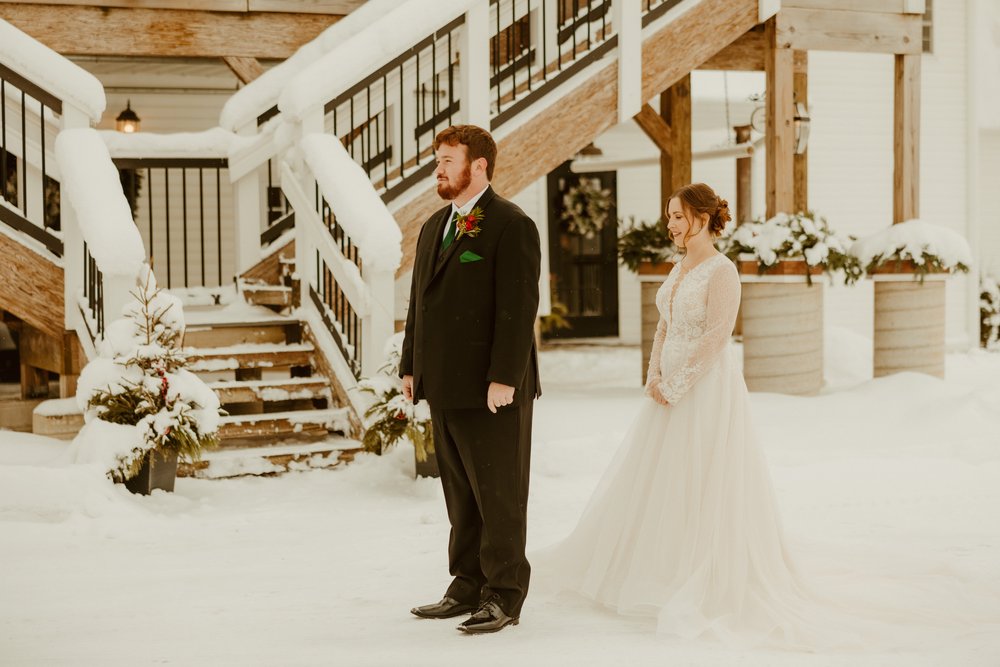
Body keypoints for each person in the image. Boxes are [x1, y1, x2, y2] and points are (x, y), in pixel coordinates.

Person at [541, 182, 820, 646]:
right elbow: (664, 327)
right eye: (668, 215)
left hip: (705, 390)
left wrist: (678, 383)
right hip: (667, 390)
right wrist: (653, 374)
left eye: (677, 216)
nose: (669, 224)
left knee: (700, 477)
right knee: (662, 480)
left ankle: (695, 570)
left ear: (704, 217)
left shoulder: (722, 270)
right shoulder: (679, 265)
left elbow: (716, 338)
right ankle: (655, 564)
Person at [399, 124, 541, 635]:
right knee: (459, 492)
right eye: (437, 159)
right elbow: (420, 302)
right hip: (443, 383)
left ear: (479, 165)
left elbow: (518, 309)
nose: (438, 169)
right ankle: (466, 582)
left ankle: (505, 594)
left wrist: (505, 377)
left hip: (492, 389)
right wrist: (410, 366)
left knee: (499, 493)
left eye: (448, 160)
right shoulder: (433, 223)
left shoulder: (510, 224)